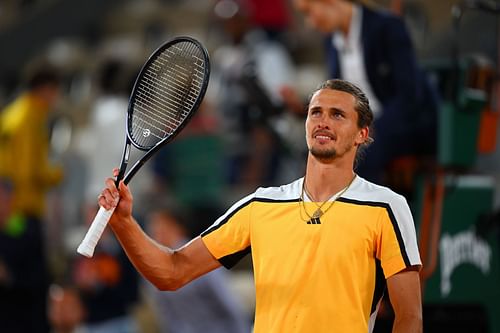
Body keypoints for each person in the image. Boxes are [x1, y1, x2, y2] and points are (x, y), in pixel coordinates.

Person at [97, 79, 423, 332]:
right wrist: (124, 222)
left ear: (361, 135)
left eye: (338, 114)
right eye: (316, 113)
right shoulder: (261, 205)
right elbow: (172, 272)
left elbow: (409, 318)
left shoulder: (386, 207)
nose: (324, 121)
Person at [293, 0, 439, 185]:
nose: (310, 23)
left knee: (357, 155)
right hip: (363, 126)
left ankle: (360, 211)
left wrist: (370, 127)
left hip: (404, 124)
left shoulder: (387, 27)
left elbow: (409, 96)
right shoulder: (331, 41)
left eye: (309, 12)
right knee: (314, 154)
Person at [143, 208, 251, 333]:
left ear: (177, 227)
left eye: (161, 226)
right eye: (153, 228)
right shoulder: (155, 266)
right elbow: (167, 315)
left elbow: (228, 303)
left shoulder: (200, 255)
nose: (156, 231)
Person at [0, 64, 64, 220]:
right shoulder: (30, 120)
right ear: (46, 89)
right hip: (23, 210)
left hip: (9, 209)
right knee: (23, 242)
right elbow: (29, 170)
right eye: (56, 91)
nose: (56, 97)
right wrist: (57, 175)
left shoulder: (14, 113)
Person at [0, 178, 51, 333]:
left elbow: (40, 279)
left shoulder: (28, 231)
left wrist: (8, 277)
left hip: (24, 321)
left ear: (10, 200)